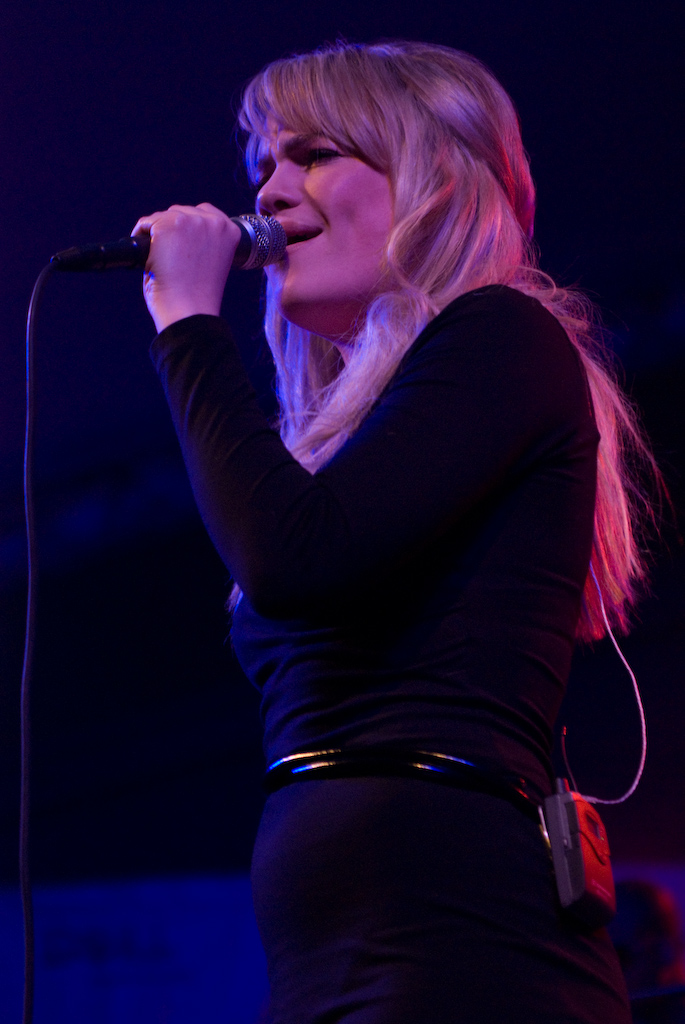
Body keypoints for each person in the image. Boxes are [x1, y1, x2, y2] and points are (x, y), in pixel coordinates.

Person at [131, 40, 654, 1024]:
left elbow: (291, 554)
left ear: (432, 180)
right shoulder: (359, 444)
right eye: (263, 166)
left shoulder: (504, 337)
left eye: (314, 153)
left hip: (463, 950)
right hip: (341, 961)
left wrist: (188, 327)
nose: (269, 193)